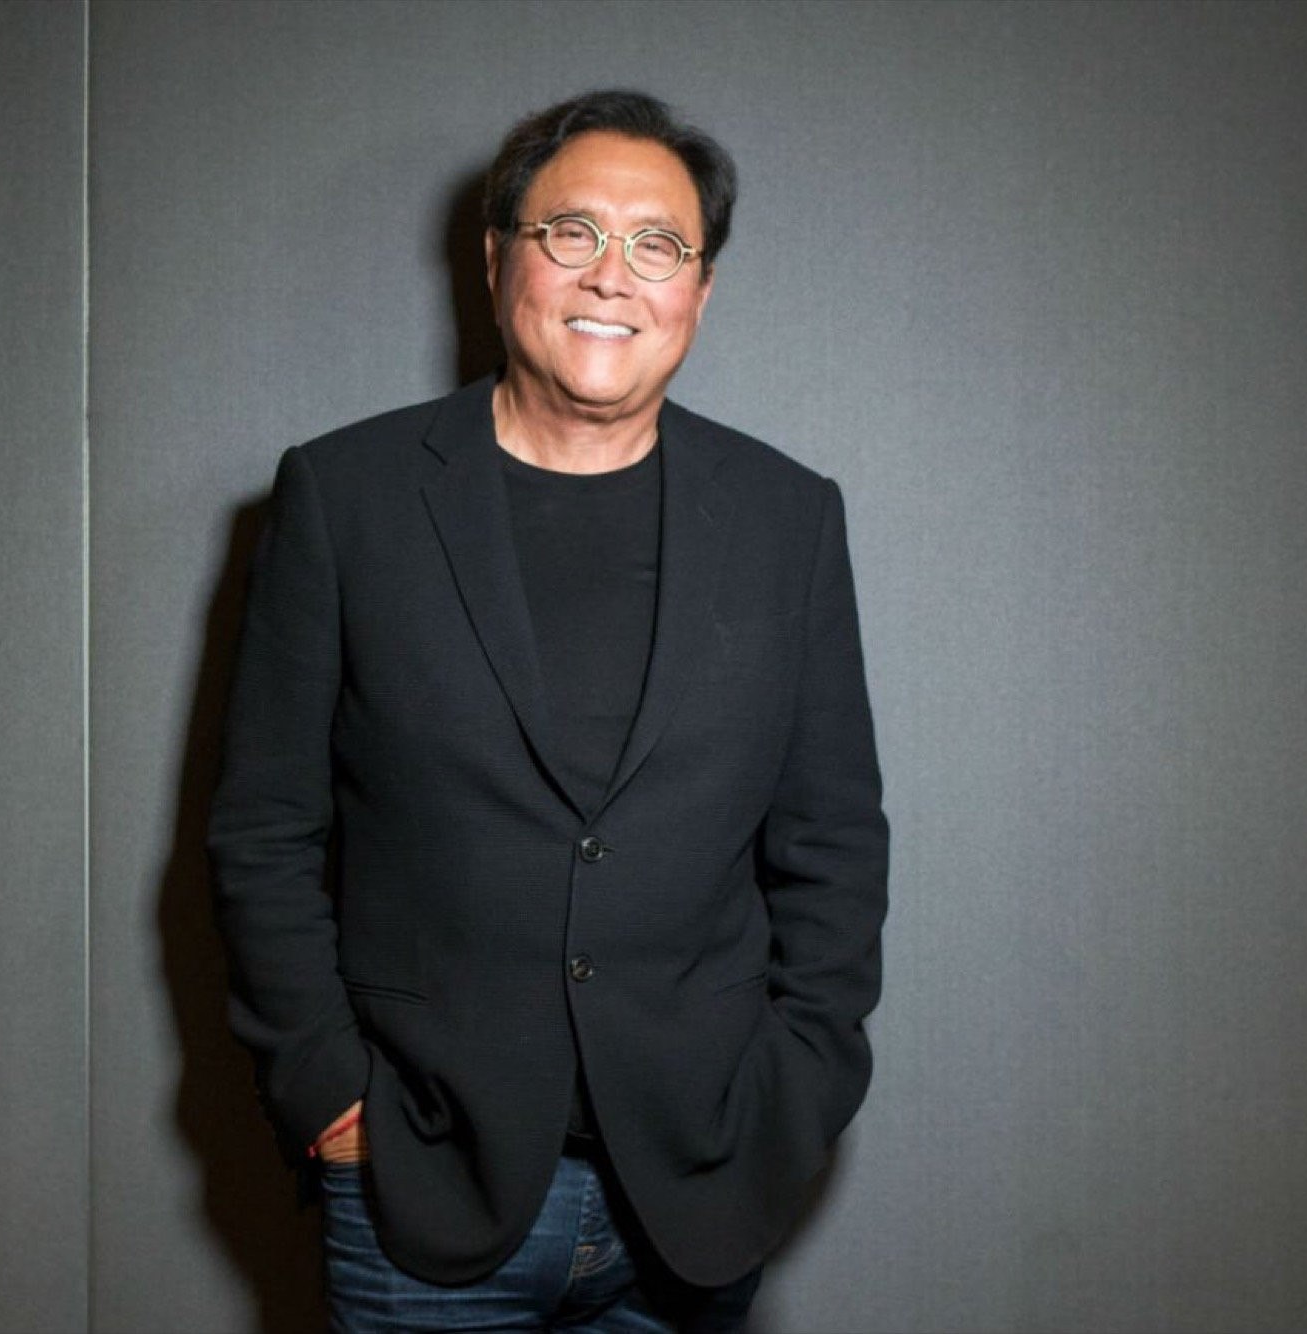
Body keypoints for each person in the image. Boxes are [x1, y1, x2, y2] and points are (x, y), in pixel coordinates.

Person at [209, 89, 888, 1332]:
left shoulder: (787, 517)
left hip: (697, 1192)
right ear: (495, 258)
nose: (612, 275)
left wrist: (795, 1089)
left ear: (700, 290)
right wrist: (326, 1089)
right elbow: (263, 827)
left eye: (659, 245)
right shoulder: (346, 497)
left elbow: (832, 839)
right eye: (571, 232)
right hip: (421, 1184)